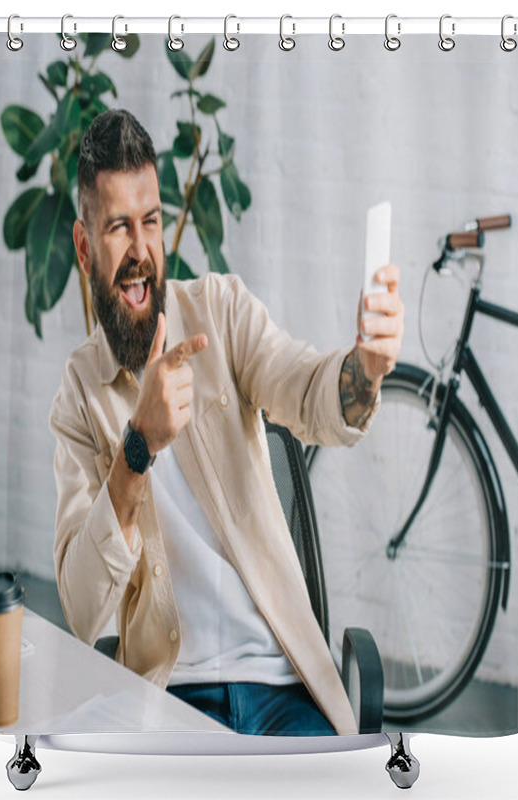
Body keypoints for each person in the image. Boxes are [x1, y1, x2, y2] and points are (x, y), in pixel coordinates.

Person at [50, 109, 404, 737]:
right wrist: (137, 449)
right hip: (168, 700)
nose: (140, 251)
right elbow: (81, 611)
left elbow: (310, 392)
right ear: (84, 246)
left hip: (280, 687)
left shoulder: (221, 310)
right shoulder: (81, 393)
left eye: (152, 222)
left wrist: (364, 369)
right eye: (119, 228)